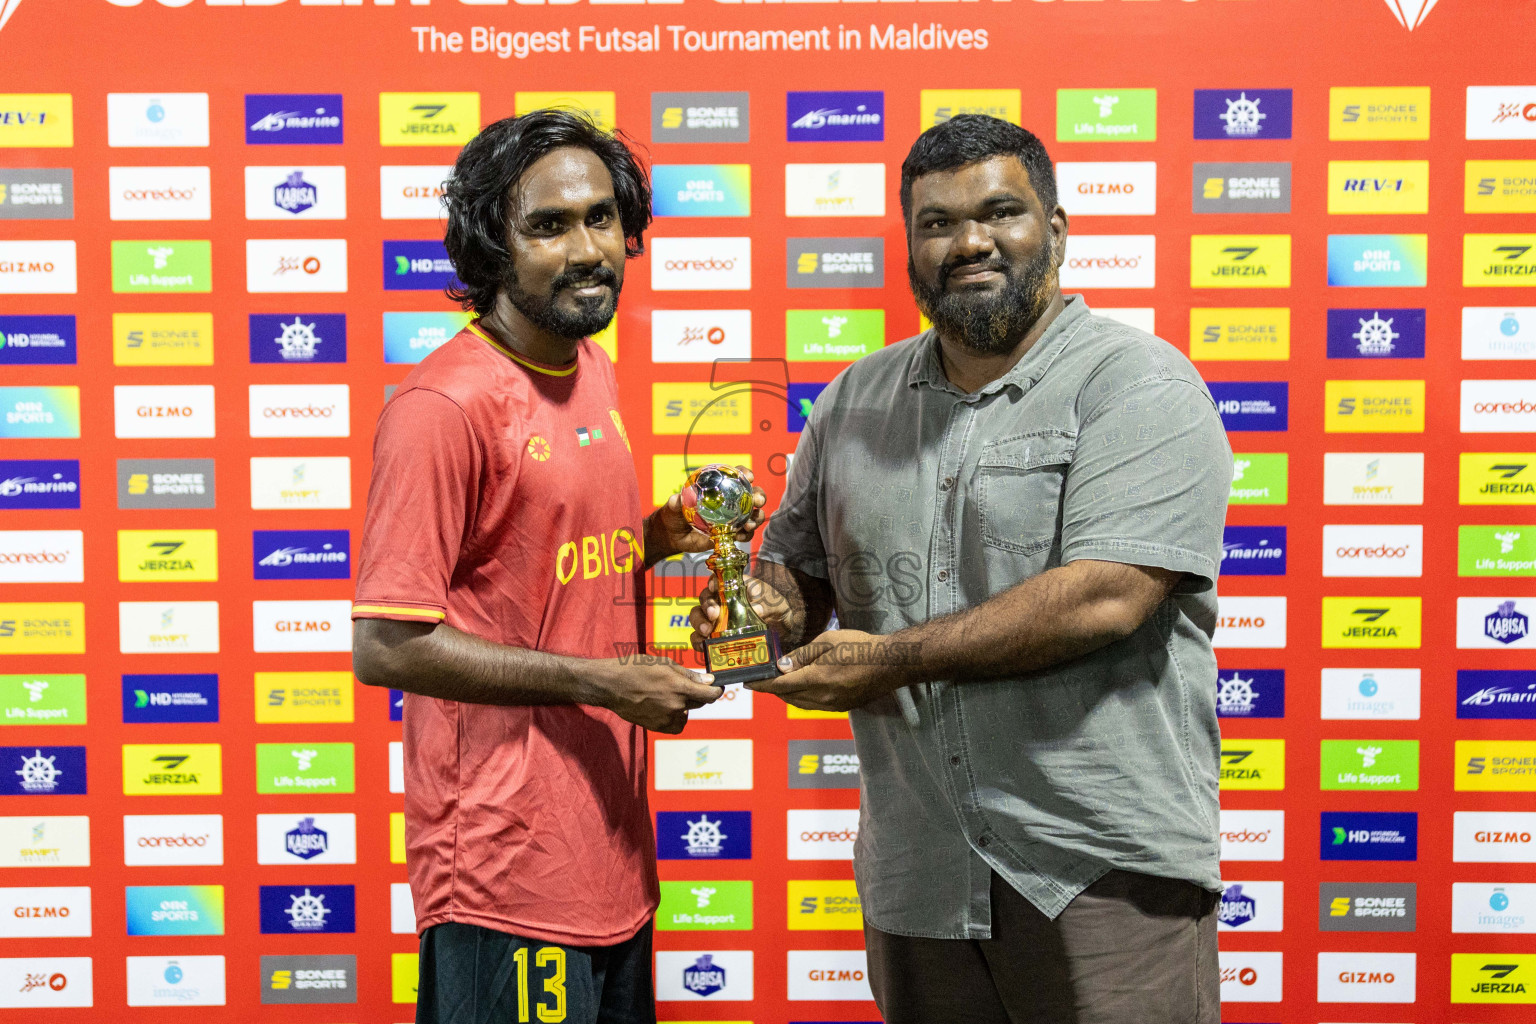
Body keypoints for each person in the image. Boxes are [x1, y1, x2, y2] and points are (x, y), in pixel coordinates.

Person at [691, 114, 1232, 1023]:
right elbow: (797, 573)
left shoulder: (1138, 384)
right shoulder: (853, 402)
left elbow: (1106, 597)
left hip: (1092, 867)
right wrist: (757, 608)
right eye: (937, 223)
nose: (970, 241)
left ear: (1054, 231)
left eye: (1000, 213)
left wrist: (889, 658)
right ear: (909, 248)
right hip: (921, 873)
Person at [352, 109, 761, 1024]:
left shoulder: (592, 368)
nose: (587, 249)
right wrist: (606, 684)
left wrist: (668, 529)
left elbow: (545, 561)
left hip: (607, 850)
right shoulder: (442, 406)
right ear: (490, 246)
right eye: (547, 226)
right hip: (505, 872)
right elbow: (387, 645)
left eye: (602, 218)